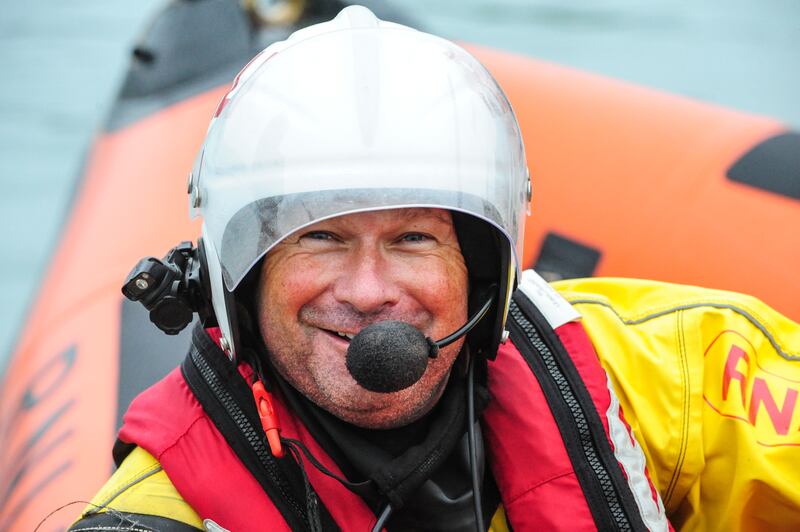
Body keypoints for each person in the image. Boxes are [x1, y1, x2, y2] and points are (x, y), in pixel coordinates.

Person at [70, 6, 800, 532]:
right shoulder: (153, 518)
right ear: (243, 276)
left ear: (483, 269)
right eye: (320, 238)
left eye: (414, 239)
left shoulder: (675, 376)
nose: (368, 291)